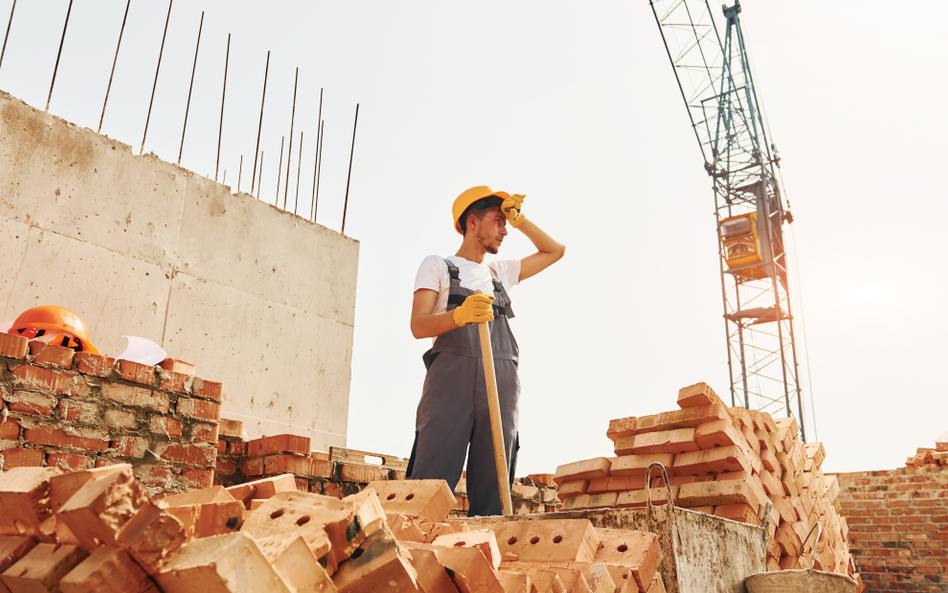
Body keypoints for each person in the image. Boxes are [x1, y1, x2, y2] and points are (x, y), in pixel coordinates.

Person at [407, 185, 565, 515]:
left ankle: (483, 558)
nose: (505, 231)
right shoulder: (438, 265)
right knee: (429, 482)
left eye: (508, 222)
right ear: (473, 222)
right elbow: (418, 326)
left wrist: (521, 220)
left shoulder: (499, 274)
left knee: (495, 487)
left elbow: (555, 251)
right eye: (499, 220)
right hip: (450, 383)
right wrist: (459, 315)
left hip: (501, 381)